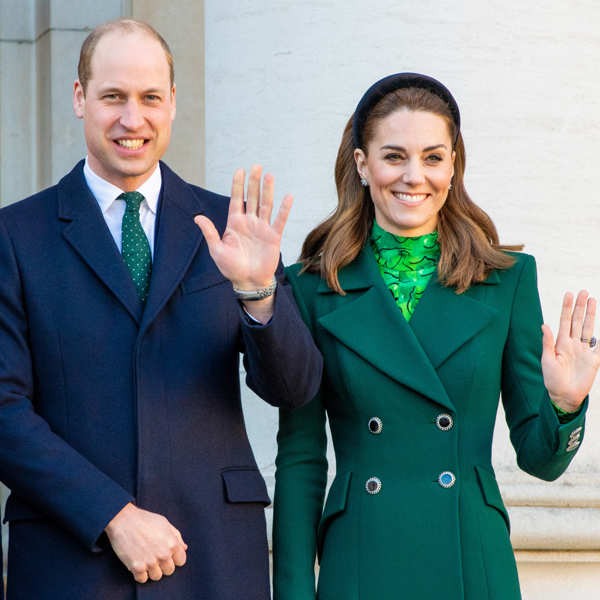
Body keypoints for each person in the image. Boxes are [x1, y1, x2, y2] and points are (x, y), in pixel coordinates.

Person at [0, 19, 322, 600]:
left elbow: (295, 388)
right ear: (79, 98)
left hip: (215, 558)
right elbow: (2, 411)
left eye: (150, 98)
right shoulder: (15, 236)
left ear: (172, 102)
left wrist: (258, 291)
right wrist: (113, 515)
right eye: (113, 97)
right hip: (72, 562)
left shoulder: (232, 226)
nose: (133, 119)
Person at [272, 73, 599, 600]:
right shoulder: (310, 287)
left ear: (453, 165)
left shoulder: (507, 279)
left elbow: (540, 460)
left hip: (470, 558)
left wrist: (565, 405)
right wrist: (291, 592)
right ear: (362, 164)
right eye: (394, 156)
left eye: (432, 157)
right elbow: (301, 459)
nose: (413, 176)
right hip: (360, 560)